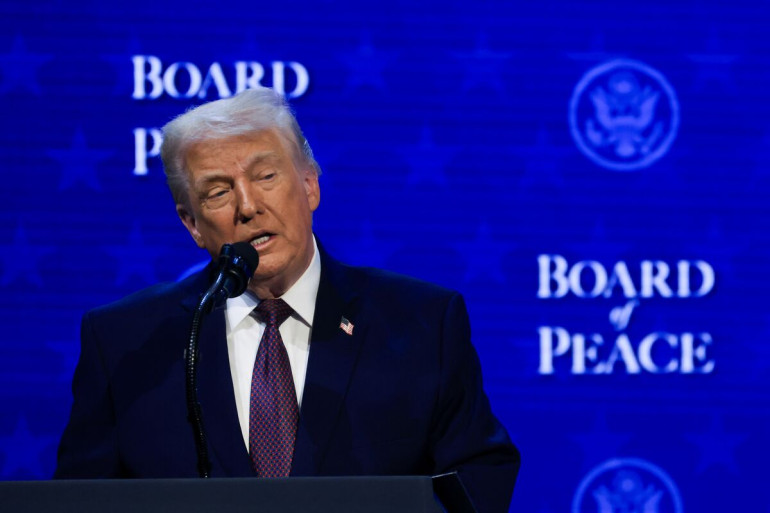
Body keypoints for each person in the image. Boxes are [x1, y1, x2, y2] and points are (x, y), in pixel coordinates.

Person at [55, 87, 520, 512]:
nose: (248, 206)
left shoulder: (421, 323)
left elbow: (478, 479)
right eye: (218, 192)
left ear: (310, 185)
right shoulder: (126, 343)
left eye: (266, 176)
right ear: (192, 224)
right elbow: (80, 502)